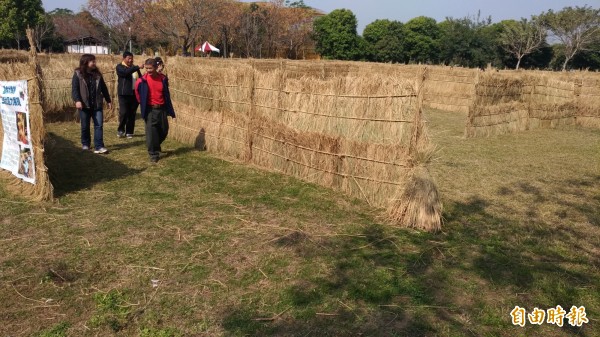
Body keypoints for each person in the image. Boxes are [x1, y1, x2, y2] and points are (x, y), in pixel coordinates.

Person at [135, 58, 176, 163]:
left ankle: (155, 146)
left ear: (156, 67)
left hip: (162, 108)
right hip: (150, 109)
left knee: (164, 130)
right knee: (151, 132)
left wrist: (168, 108)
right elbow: (137, 94)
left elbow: (166, 93)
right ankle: (153, 153)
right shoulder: (141, 81)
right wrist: (143, 103)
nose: (148, 70)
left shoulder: (163, 79)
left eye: (151, 68)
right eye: (147, 68)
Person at [72, 54, 112, 154]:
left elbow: (103, 88)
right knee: (85, 126)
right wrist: (77, 100)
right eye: (92, 61)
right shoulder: (78, 74)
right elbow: (75, 89)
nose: (94, 63)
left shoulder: (98, 75)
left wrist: (108, 100)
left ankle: (99, 146)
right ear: (85, 62)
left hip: (97, 105)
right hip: (84, 105)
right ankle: (86, 144)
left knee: (99, 126)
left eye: (94, 61)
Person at [116, 51, 143, 139]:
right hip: (124, 94)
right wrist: (136, 67)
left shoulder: (134, 68)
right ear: (124, 58)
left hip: (134, 94)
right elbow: (125, 73)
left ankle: (129, 131)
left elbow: (140, 78)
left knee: (132, 113)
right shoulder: (120, 67)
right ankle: (121, 129)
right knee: (124, 112)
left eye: (132, 58)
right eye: (129, 58)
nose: (131, 60)